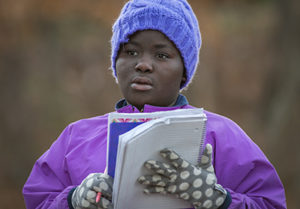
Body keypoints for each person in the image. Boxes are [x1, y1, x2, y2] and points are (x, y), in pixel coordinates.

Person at [23, 0, 287, 208]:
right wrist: (73, 200)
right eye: (131, 52)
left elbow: (270, 203)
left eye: (161, 55)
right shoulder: (76, 137)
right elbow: (38, 199)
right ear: (116, 62)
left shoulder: (221, 135)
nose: (143, 64)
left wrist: (218, 200)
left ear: (184, 71)